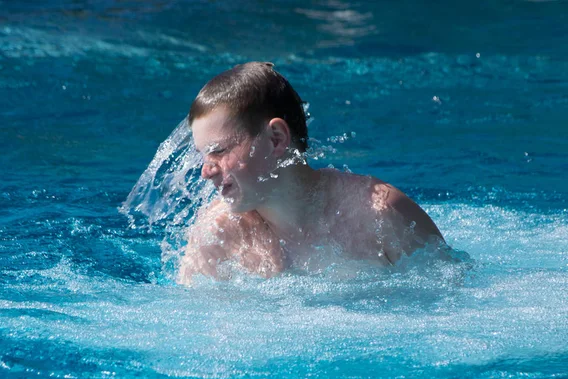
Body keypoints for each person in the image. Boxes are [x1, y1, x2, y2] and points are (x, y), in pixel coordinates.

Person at [177, 62, 444, 285]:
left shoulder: (378, 215)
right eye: (203, 155)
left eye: (219, 151)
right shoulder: (217, 235)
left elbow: (452, 297)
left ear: (276, 139)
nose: (205, 171)